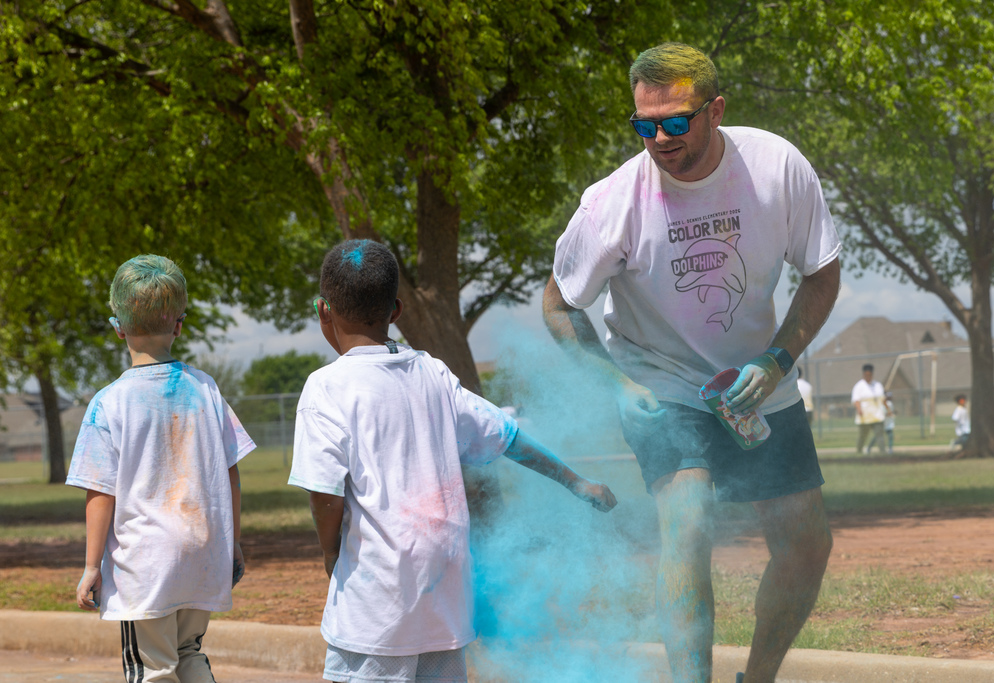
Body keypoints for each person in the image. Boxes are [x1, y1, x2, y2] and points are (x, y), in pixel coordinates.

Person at [542, 42, 839, 683]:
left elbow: (821, 274)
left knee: (806, 543)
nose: (659, 139)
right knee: (689, 518)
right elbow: (559, 305)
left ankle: (755, 679)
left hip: (759, 377)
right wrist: (614, 385)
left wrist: (777, 361)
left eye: (675, 122)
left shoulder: (776, 166)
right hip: (660, 378)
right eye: (643, 125)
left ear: (715, 110)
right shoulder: (612, 203)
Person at [289, 239, 618, 683]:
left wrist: (331, 553)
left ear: (322, 309)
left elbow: (324, 493)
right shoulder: (434, 375)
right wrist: (577, 481)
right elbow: (509, 438)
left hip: (375, 607)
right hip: (444, 599)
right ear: (397, 311)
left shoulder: (325, 388)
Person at [66, 254, 254, 683]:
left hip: (146, 565)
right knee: (189, 652)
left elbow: (100, 492)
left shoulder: (107, 403)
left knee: (152, 670)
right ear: (179, 325)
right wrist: (234, 541)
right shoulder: (206, 388)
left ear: (118, 327)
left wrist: (92, 566)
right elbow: (231, 472)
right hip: (203, 553)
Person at [851, 364, 886, 454]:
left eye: (869, 375)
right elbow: (856, 400)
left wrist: (888, 410)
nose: (868, 377)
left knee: (880, 435)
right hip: (864, 415)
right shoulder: (859, 386)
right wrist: (859, 410)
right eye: (866, 375)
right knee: (863, 436)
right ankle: (858, 452)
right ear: (863, 375)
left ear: (872, 375)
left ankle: (883, 453)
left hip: (877, 415)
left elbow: (883, 399)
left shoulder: (877, 385)